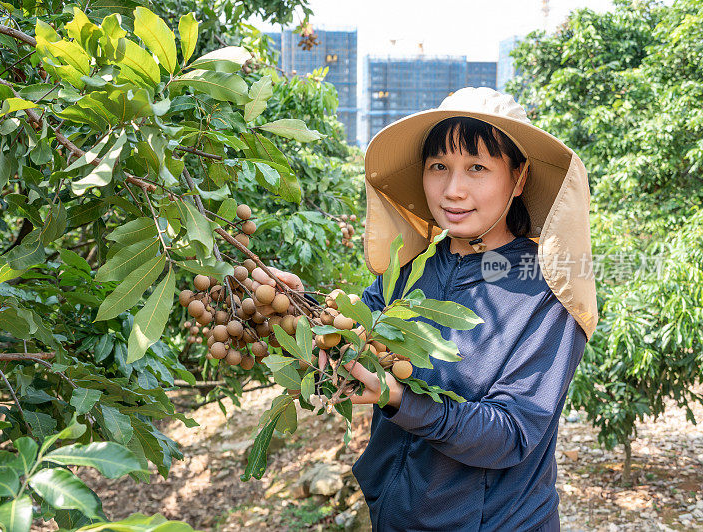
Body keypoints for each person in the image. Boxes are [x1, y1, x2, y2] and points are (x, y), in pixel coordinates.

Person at [252, 87, 599, 531]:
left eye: (477, 167)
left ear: (519, 178)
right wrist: (303, 313)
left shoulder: (545, 291)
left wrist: (398, 398)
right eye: (439, 167)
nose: (453, 190)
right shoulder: (412, 270)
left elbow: (511, 434)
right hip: (395, 516)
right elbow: (351, 352)